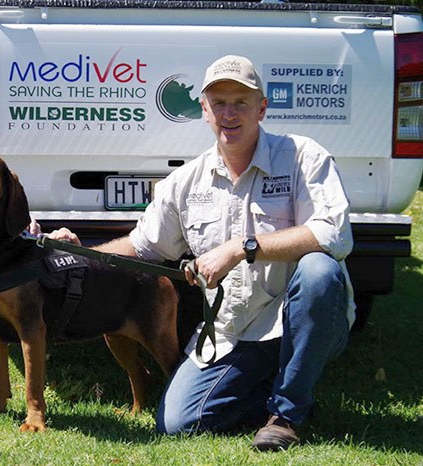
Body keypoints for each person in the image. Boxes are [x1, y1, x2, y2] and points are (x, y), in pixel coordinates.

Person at [50, 55, 354, 450]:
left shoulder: (303, 157)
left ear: (262, 108)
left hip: (300, 319)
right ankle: (277, 382)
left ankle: (287, 413)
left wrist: (240, 248)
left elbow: (334, 233)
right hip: (233, 331)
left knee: (319, 271)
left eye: (241, 103)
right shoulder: (185, 181)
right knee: (179, 423)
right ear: (204, 110)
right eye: (219, 103)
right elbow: (142, 246)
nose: (230, 113)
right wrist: (80, 254)